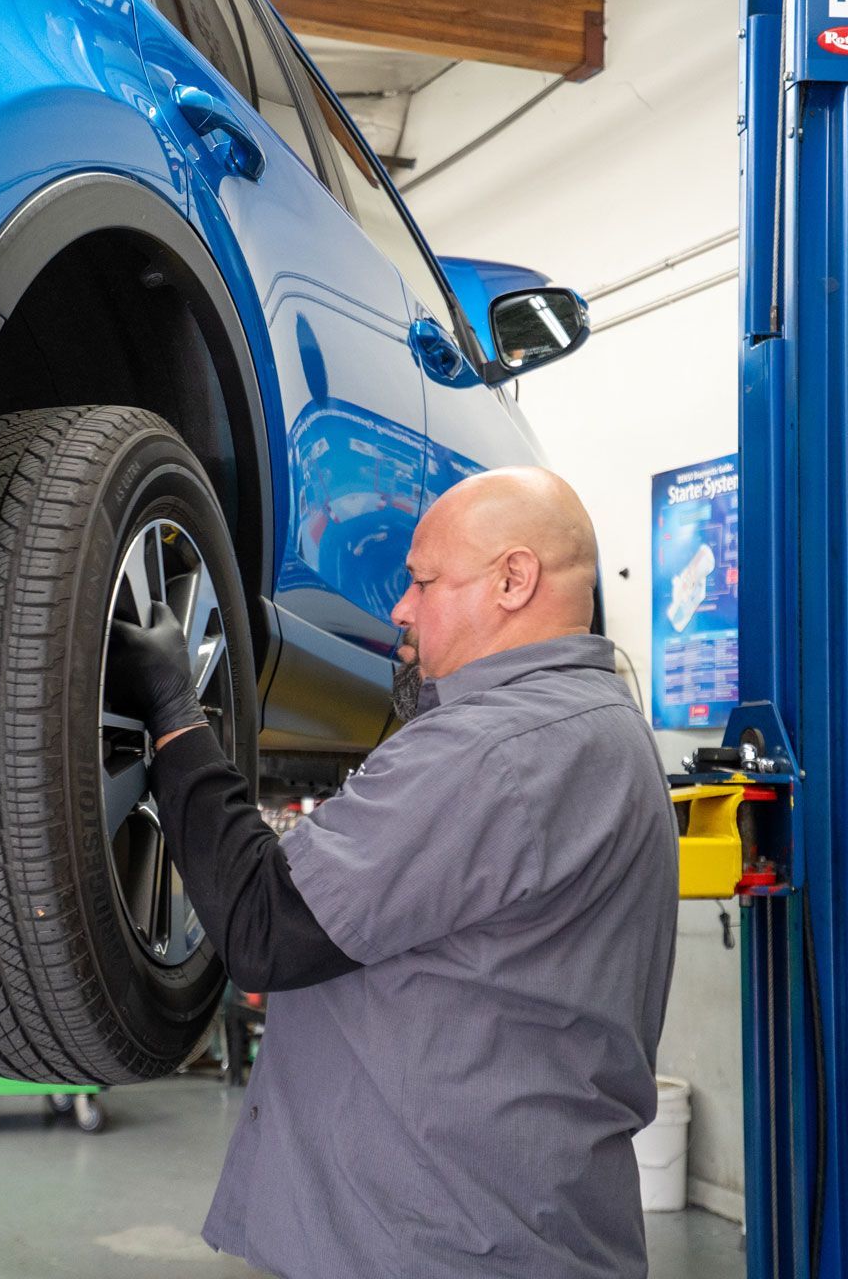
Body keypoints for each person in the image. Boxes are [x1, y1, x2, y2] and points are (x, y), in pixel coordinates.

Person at [107, 466, 679, 1278]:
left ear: (513, 580)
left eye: (420, 580)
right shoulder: (601, 728)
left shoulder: (497, 747)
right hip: (511, 1225)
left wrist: (172, 711)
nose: (400, 609)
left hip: (438, 1244)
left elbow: (265, 927)